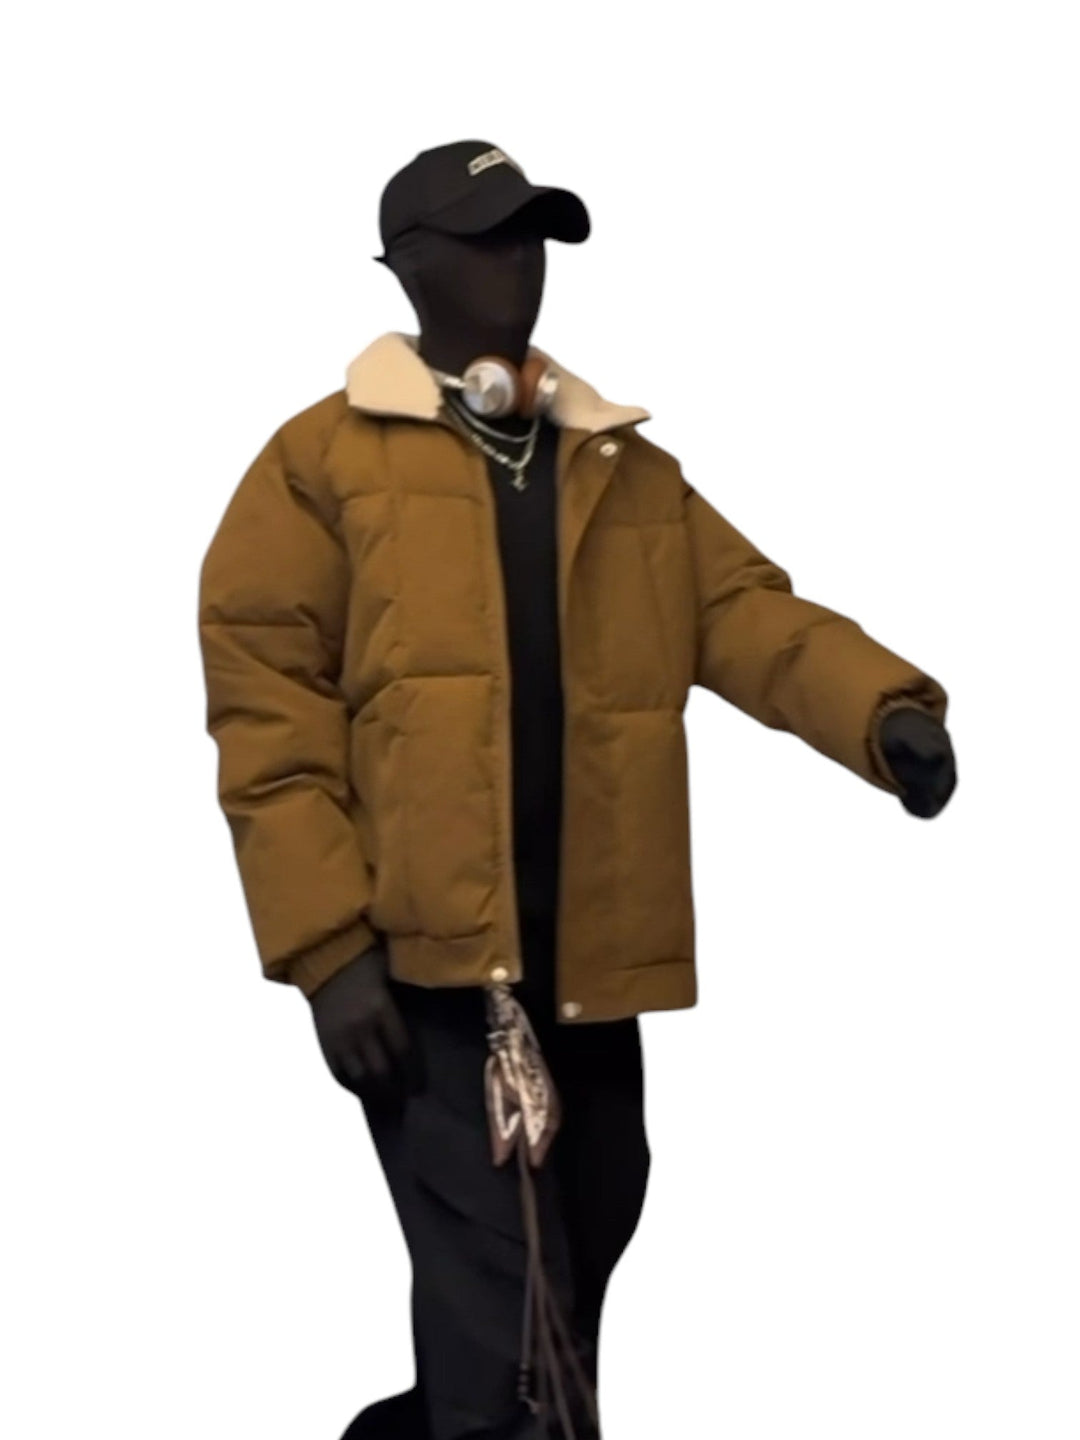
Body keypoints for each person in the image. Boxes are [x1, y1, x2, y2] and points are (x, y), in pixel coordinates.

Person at [196, 140, 957, 1440]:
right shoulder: (319, 464)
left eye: (534, 237)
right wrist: (328, 951)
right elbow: (268, 707)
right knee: (503, 1295)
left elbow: (744, 613)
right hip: (432, 978)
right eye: (488, 238)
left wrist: (882, 712)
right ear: (409, 263)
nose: (521, 264)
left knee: (590, 1223)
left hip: (594, 957)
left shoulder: (617, 467)